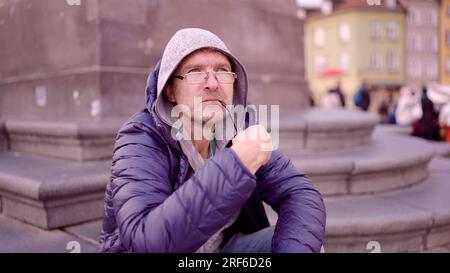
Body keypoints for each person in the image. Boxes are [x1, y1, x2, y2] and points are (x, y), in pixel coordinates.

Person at [97, 28, 326, 253]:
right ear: (170, 91)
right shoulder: (142, 137)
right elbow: (146, 241)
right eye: (195, 71)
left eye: (223, 71)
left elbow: (300, 193)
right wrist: (236, 164)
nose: (213, 83)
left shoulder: (239, 130)